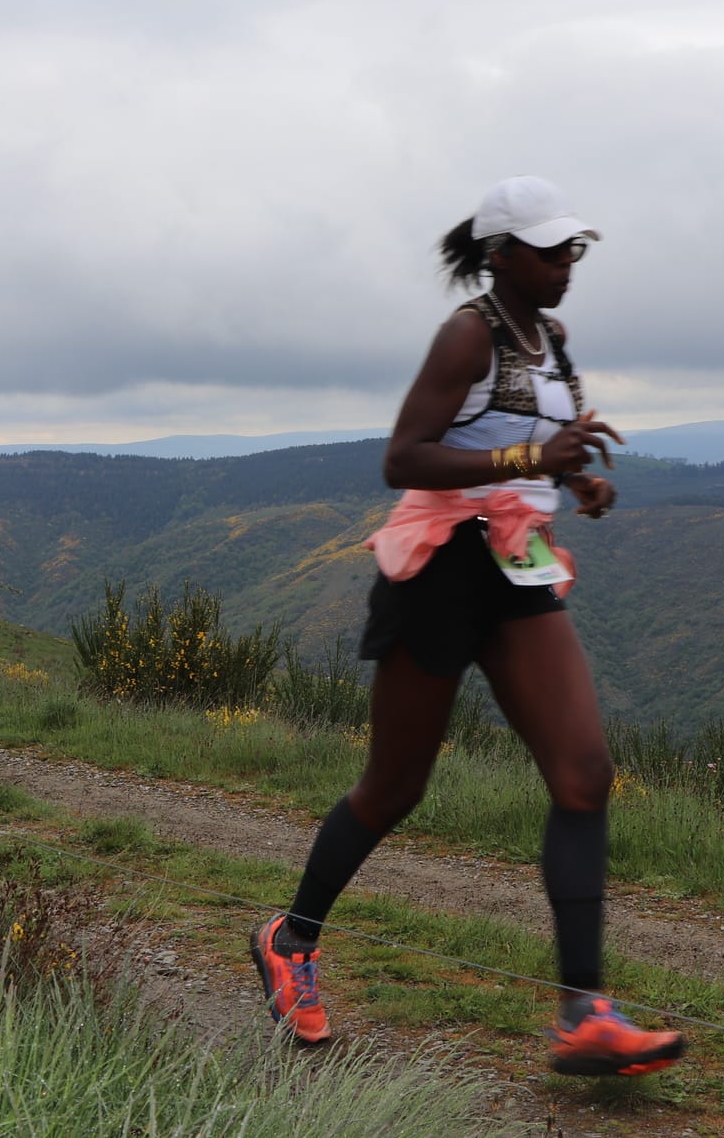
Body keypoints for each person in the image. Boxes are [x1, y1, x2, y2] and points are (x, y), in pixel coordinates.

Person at [250, 176, 685, 1077]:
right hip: (441, 569)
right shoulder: (468, 332)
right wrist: (532, 457)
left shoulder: (552, 340)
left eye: (574, 248)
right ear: (500, 255)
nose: (567, 262)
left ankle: (585, 1013)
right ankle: (291, 941)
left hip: (517, 564)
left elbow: (531, 450)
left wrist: (574, 483)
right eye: (548, 248)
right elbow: (403, 455)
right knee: (394, 786)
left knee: (583, 773)